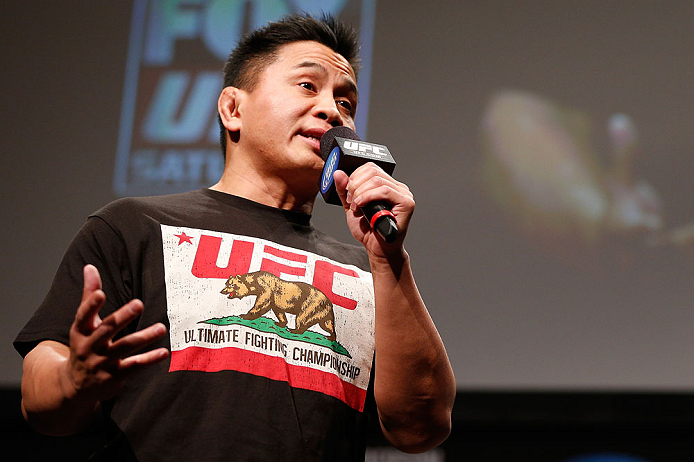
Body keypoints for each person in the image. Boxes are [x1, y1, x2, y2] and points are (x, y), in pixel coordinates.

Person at [15, 13, 456, 461]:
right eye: (308, 86)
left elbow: (421, 427)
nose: (331, 111)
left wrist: (388, 260)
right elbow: (39, 400)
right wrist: (72, 378)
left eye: (346, 103)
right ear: (233, 109)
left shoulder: (370, 270)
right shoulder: (134, 226)